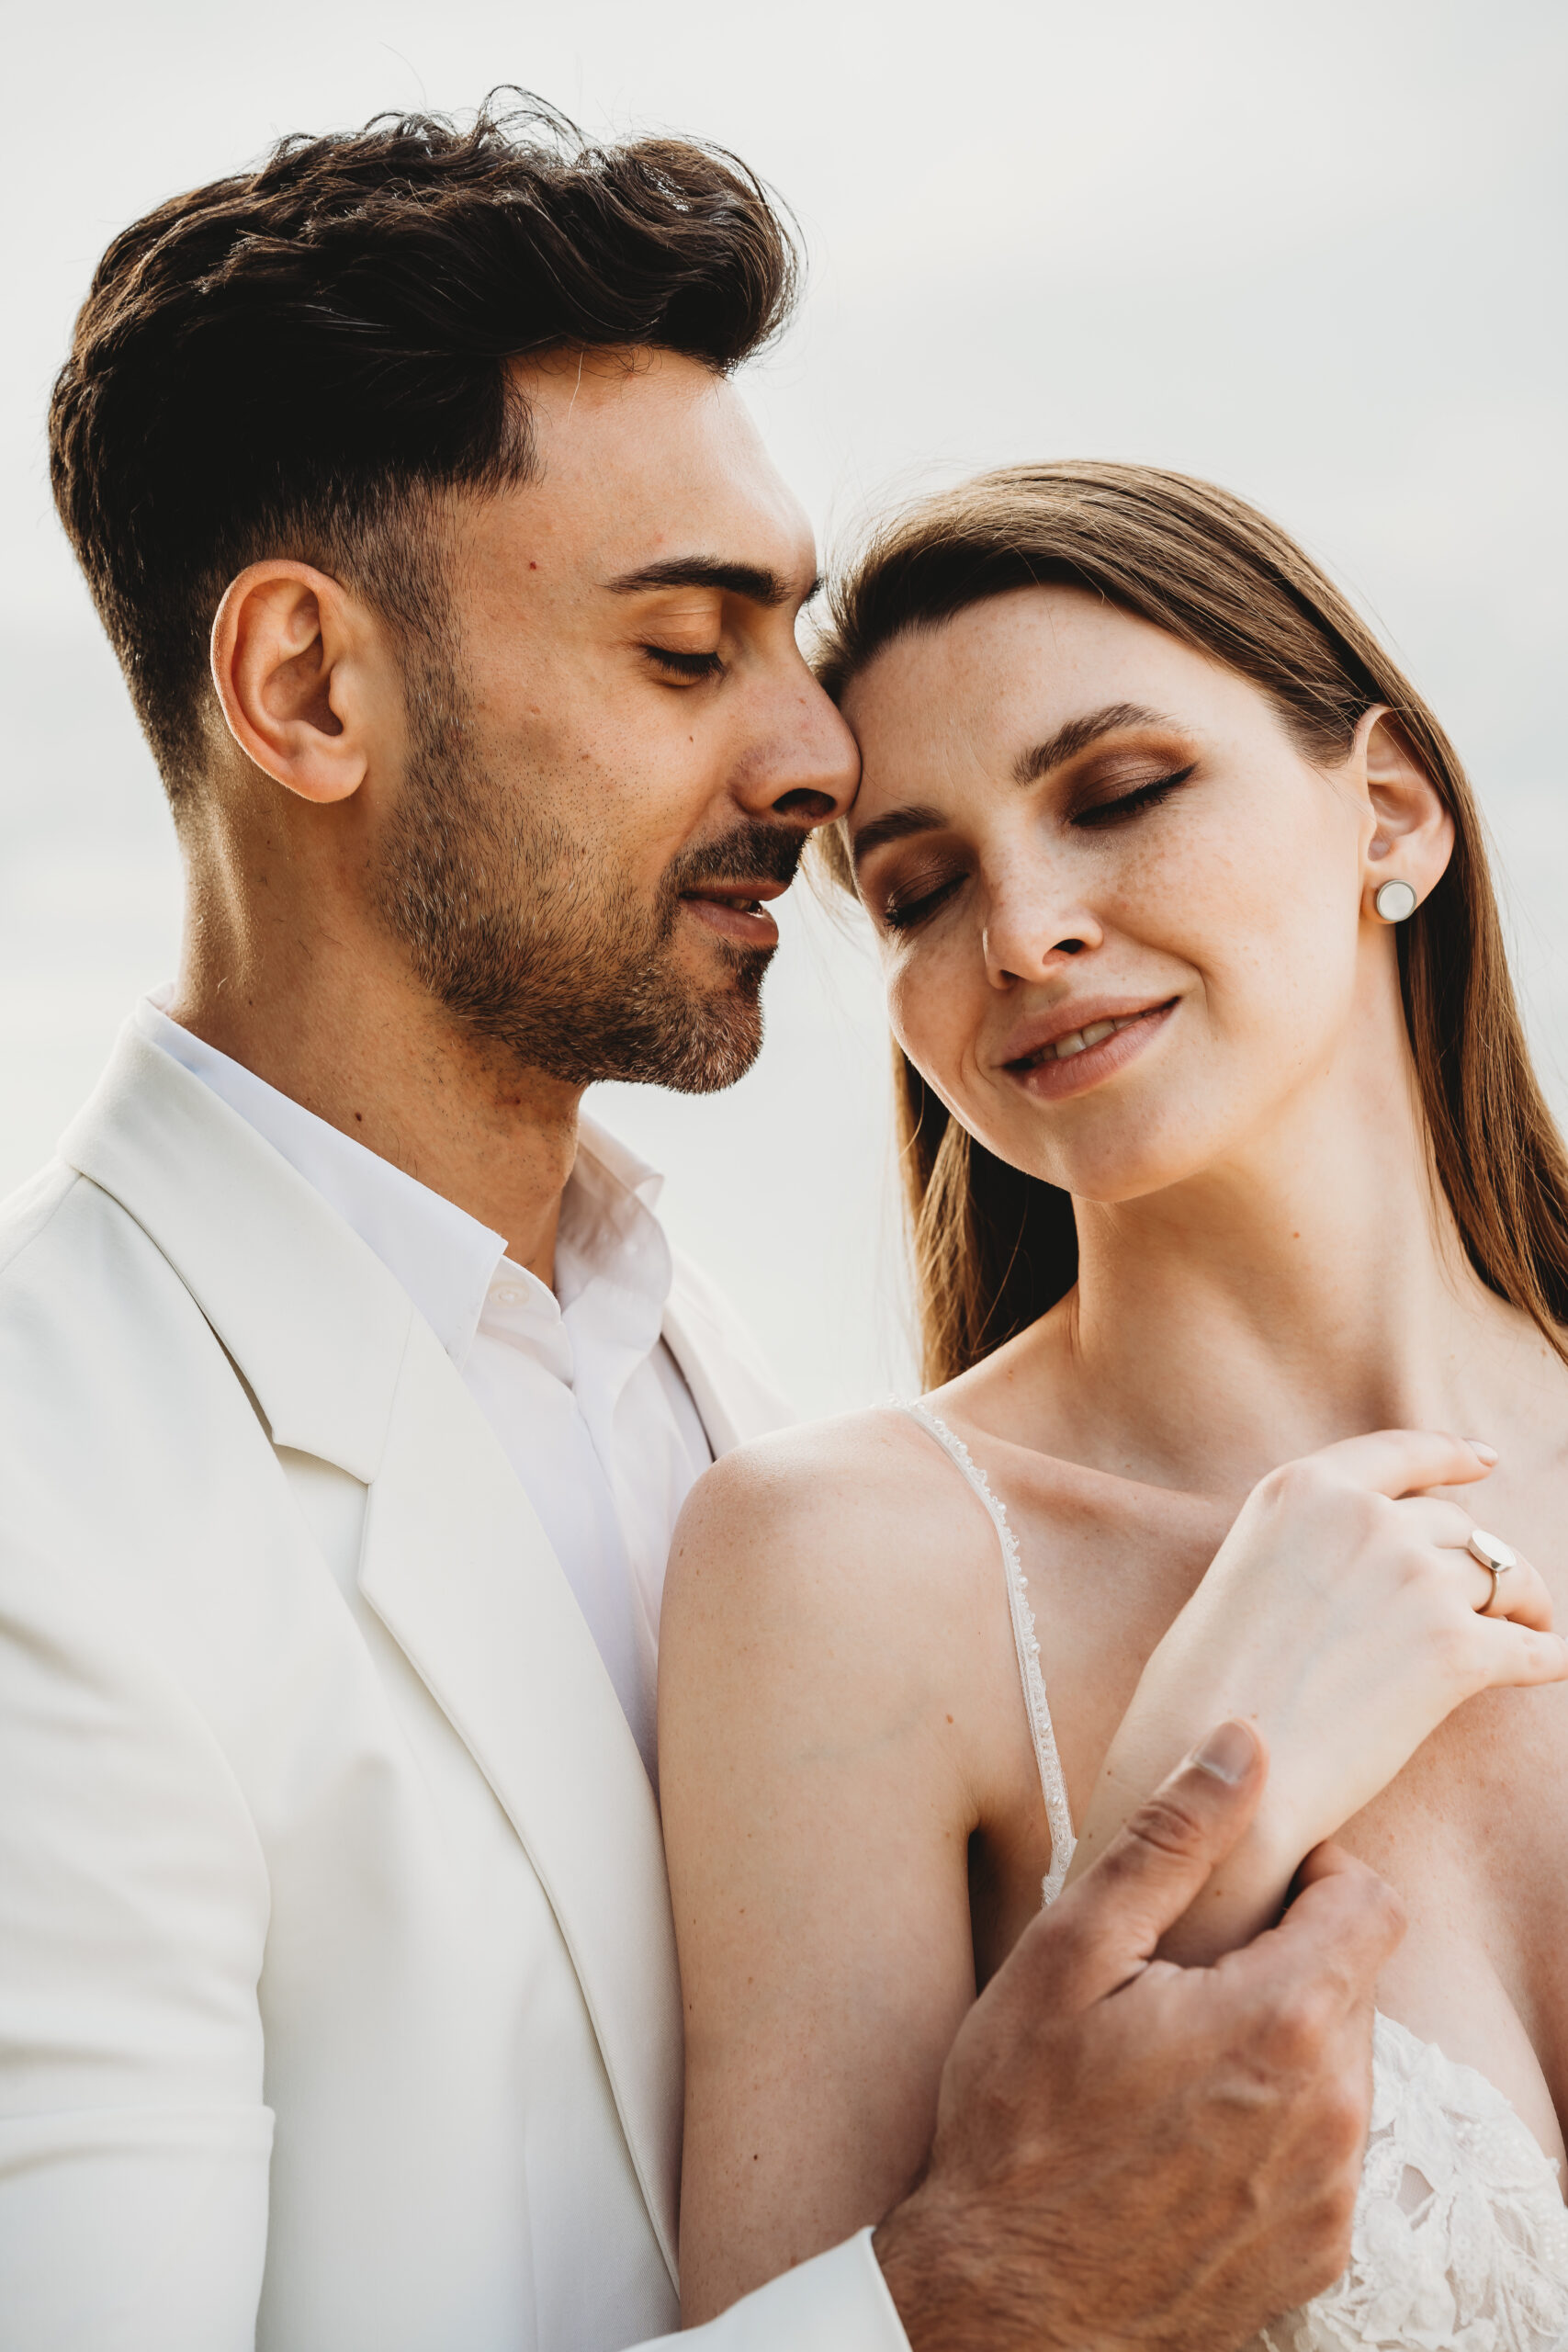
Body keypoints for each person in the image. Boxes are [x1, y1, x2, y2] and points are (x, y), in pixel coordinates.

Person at [0, 102, 1416, 2352]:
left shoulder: (715, 1377)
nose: (819, 756)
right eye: (686, 651)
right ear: (305, 689)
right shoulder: (48, 1501)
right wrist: (978, 2293)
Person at [661, 463, 1568, 2346]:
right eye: (916, 887)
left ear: (1385, 812)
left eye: (1118, 790)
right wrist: (1188, 1830)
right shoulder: (846, 1572)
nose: (1022, 927)